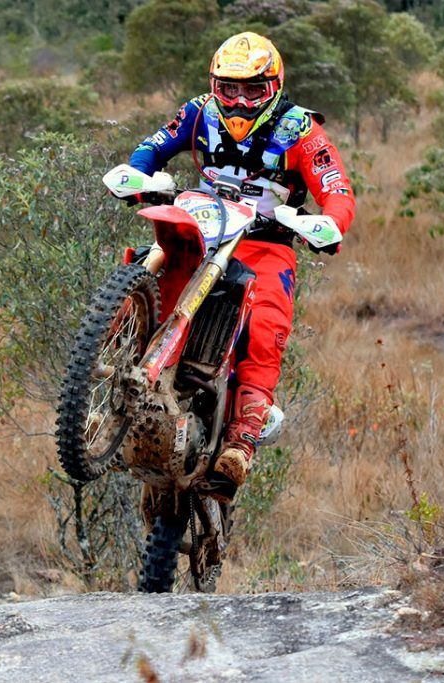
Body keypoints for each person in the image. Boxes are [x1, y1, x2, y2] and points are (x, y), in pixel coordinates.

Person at [126, 32, 356, 500]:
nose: (239, 100)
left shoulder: (300, 130)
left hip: (266, 241)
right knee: (147, 263)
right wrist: (140, 174)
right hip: (203, 225)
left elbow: (336, 186)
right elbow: (153, 146)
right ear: (214, 84)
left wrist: (329, 223)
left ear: (274, 86)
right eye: (229, 88)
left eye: (253, 89)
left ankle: (242, 438)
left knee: (266, 321)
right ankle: (114, 354)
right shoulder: (198, 112)